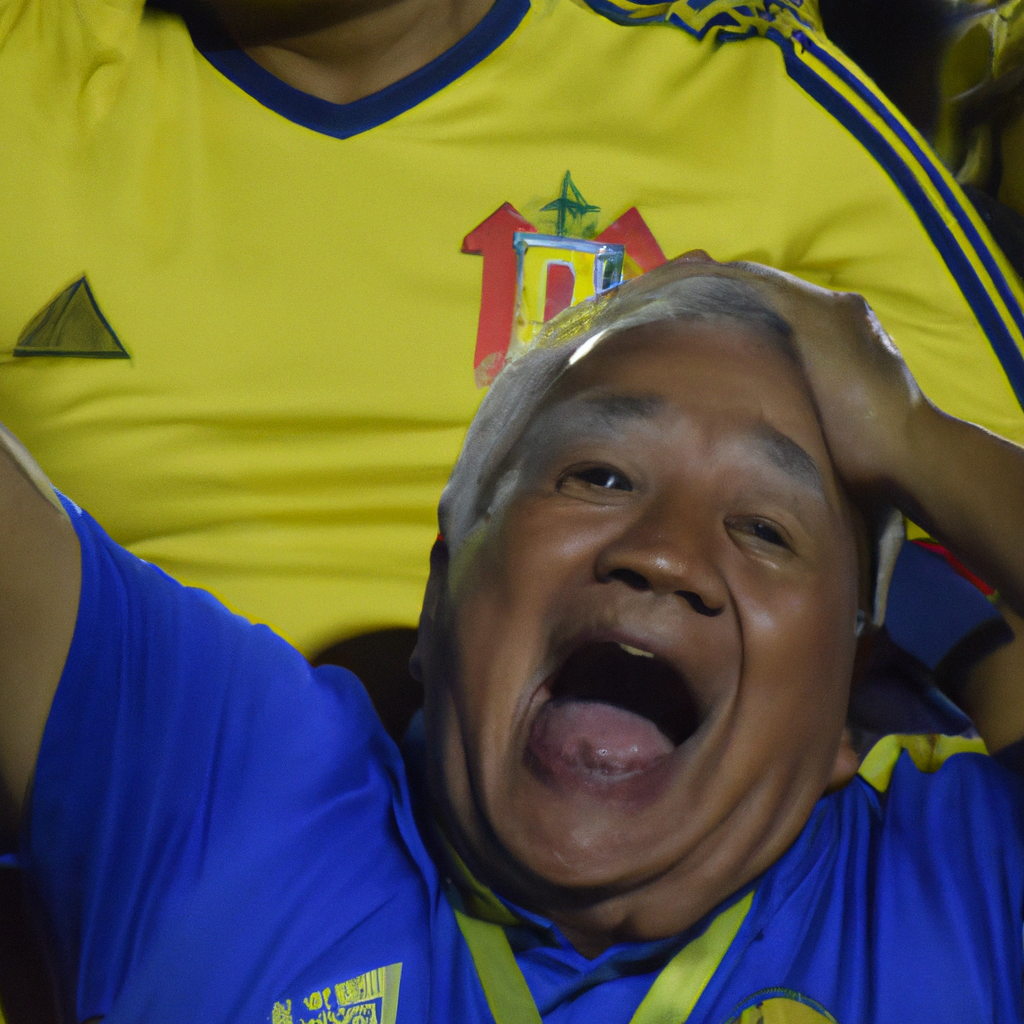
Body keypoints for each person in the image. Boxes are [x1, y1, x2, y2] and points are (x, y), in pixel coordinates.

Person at [4, 256, 1023, 1023]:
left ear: (846, 703)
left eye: (764, 529)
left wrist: (913, 438)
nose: (664, 555)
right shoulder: (235, 788)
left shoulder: (961, 881)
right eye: (600, 476)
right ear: (443, 586)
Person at [1, 0, 1023, 673]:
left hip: (666, 930)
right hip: (128, 913)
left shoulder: (749, 97)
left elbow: (992, 591)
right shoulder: (30, 74)